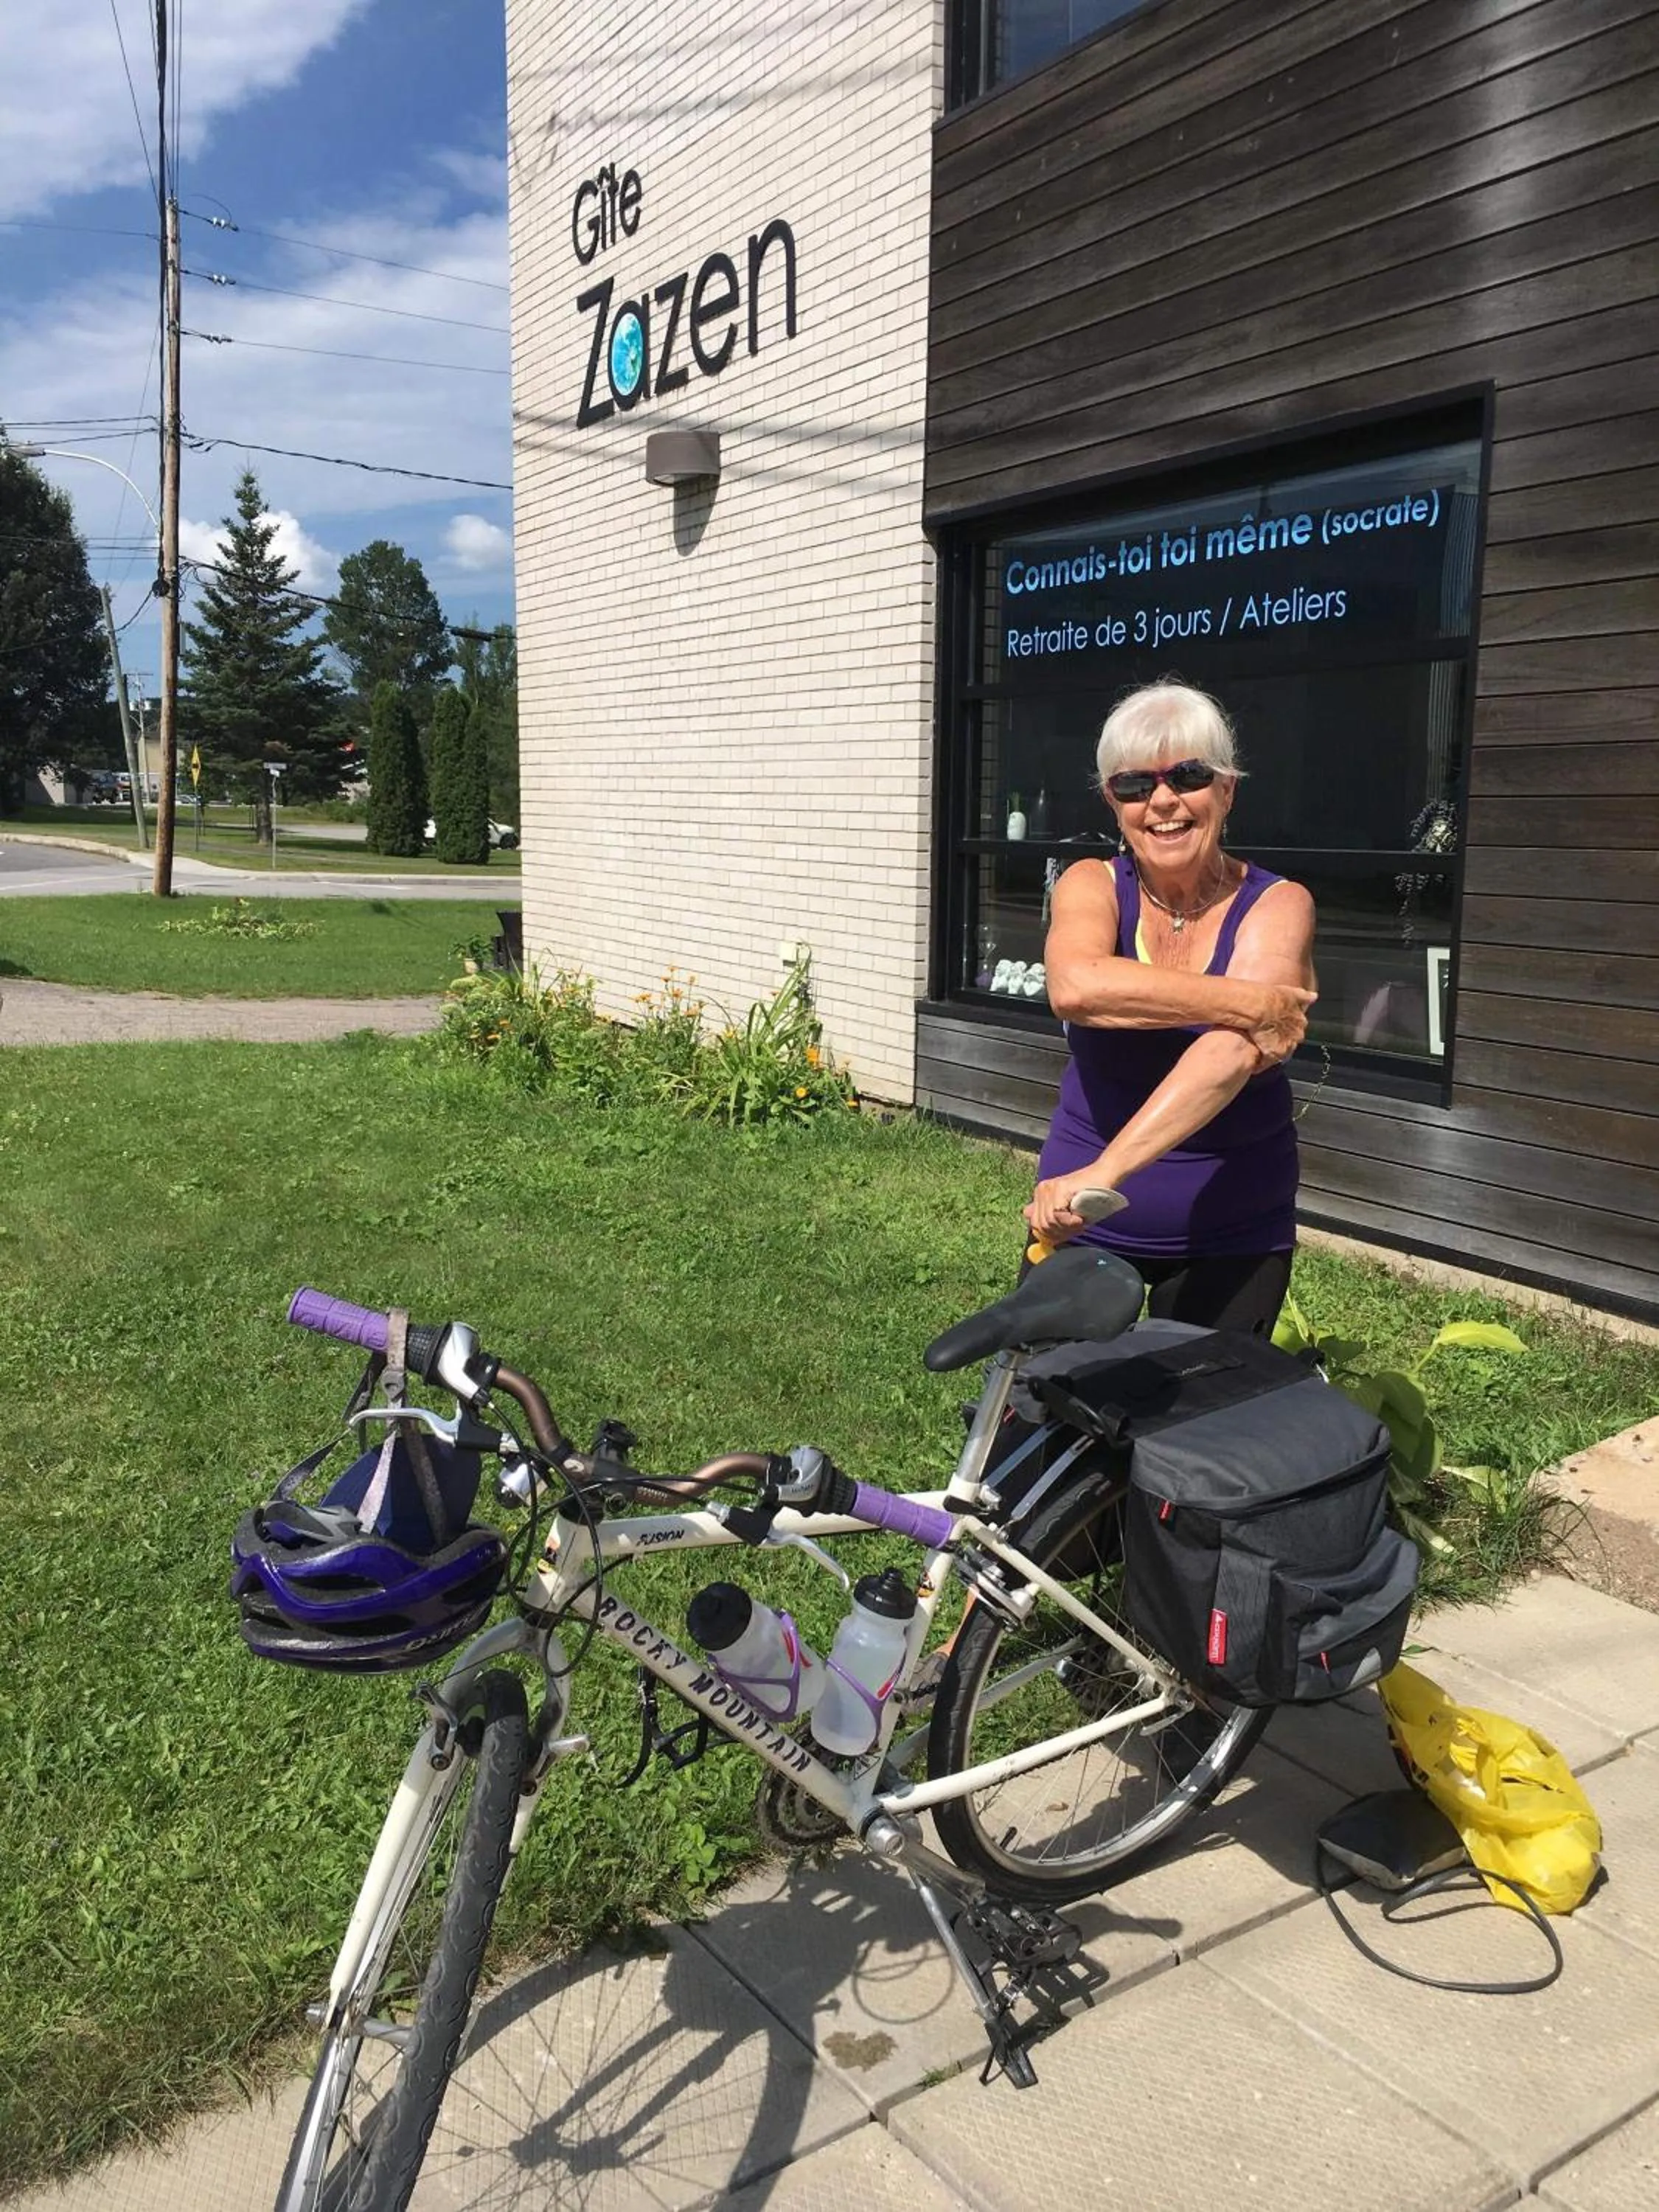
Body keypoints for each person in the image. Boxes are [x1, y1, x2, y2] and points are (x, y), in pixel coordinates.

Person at [1024, 681, 1316, 1335]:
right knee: (1048, 1394)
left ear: (1227, 789)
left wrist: (1103, 1176)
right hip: (1079, 1225)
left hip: (1229, 1229)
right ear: (1113, 803)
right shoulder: (1091, 883)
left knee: (1203, 1401)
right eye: (1134, 785)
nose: (1162, 802)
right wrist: (1250, 1002)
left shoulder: (1279, 904)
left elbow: (1232, 1051)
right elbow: (1076, 987)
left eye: (1189, 776)